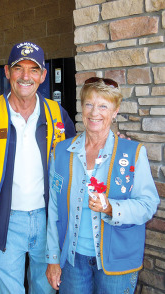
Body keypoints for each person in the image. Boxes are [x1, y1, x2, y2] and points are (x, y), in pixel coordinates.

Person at [0, 41, 76, 294]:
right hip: (6, 220)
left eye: (33, 69)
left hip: (48, 220)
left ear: (43, 75)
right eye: (18, 68)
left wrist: (114, 145)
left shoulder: (57, 114)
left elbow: (77, 156)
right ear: (6, 72)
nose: (25, 76)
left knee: (44, 288)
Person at [45, 77, 160, 294]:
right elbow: (54, 209)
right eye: (89, 104)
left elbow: (148, 205)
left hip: (117, 262)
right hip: (72, 261)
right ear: (81, 107)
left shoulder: (133, 152)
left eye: (103, 106)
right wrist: (52, 258)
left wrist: (110, 208)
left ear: (115, 111)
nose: (94, 112)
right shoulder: (61, 152)